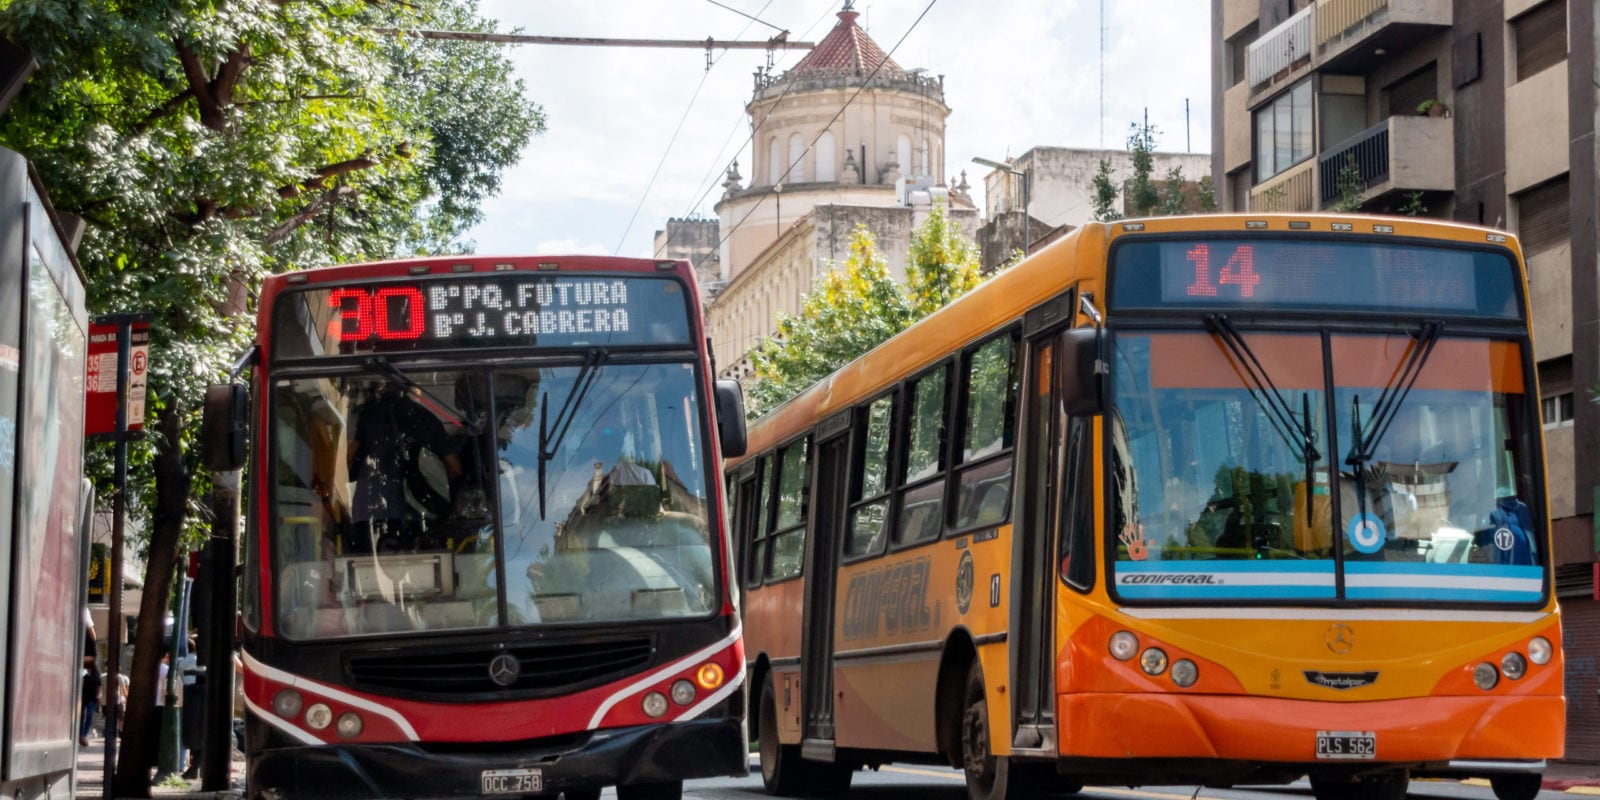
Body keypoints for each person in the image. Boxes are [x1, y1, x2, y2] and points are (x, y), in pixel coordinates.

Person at [348, 381, 461, 553]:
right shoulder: (428, 419)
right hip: (415, 515)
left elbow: (350, 458)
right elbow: (454, 468)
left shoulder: (370, 413)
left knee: (362, 565)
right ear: (414, 391)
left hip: (367, 509)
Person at [80, 651, 101, 746]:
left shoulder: (96, 673)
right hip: (83, 697)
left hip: (92, 698)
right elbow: (81, 683)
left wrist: (98, 696)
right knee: (82, 716)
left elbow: (99, 686)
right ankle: (81, 734)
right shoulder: (83, 671)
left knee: (88, 716)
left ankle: (83, 735)